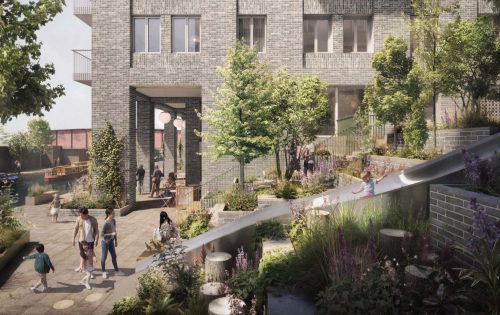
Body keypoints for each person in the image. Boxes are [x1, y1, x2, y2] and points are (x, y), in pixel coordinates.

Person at [72, 207, 99, 274]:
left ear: (86, 214)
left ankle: (90, 270)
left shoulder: (92, 219)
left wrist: (96, 239)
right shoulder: (79, 219)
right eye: (80, 214)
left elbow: (96, 230)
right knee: (82, 254)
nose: (80, 216)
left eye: (81, 215)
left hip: (90, 241)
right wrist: (73, 238)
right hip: (81, 240)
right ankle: (81, 266)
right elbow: (76, 229)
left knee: (90, 256)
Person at [100, 207, 124, 279]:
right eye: (112, 213)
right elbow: (102, 234)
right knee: (104, 258)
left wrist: (116, 240)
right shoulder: (105, 223)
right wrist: (111, 234)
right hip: (105, 243)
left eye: (114, 213)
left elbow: (115, 231)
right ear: (108, 214)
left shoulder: (114, 221)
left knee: (114, 256)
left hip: (111, 241)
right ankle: (103, 272)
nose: (114, 214)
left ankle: (116, 271)